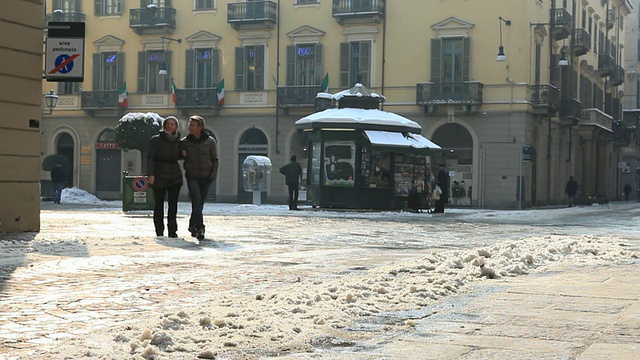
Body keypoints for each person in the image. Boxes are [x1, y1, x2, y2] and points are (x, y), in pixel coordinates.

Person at [181, 115, 219, 240]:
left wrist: (212, 175)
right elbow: (176, 151)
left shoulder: (210, 141)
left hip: (207, 176)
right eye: (189, 125)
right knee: (197, 200)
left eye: (192, 125)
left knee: (199, 203)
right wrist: (181, 153)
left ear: (200, 127)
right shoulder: (185, 142)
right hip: (192, 175)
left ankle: (194, 225)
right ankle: (200, 227)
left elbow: (214, 159)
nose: (189, 127)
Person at [148, 116, 183, 238]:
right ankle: (159, 230)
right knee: (159, 204)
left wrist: (184, 154)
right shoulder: (156, 140)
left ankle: (172, 231)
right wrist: (151, 174)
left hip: (175, 174)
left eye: (172, 124)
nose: (169, 126)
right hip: (159, 173)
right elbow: (150, 158)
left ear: (176, 127)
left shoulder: (179, 141)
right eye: (167, 124)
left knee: (173, 204)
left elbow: (182, 155)